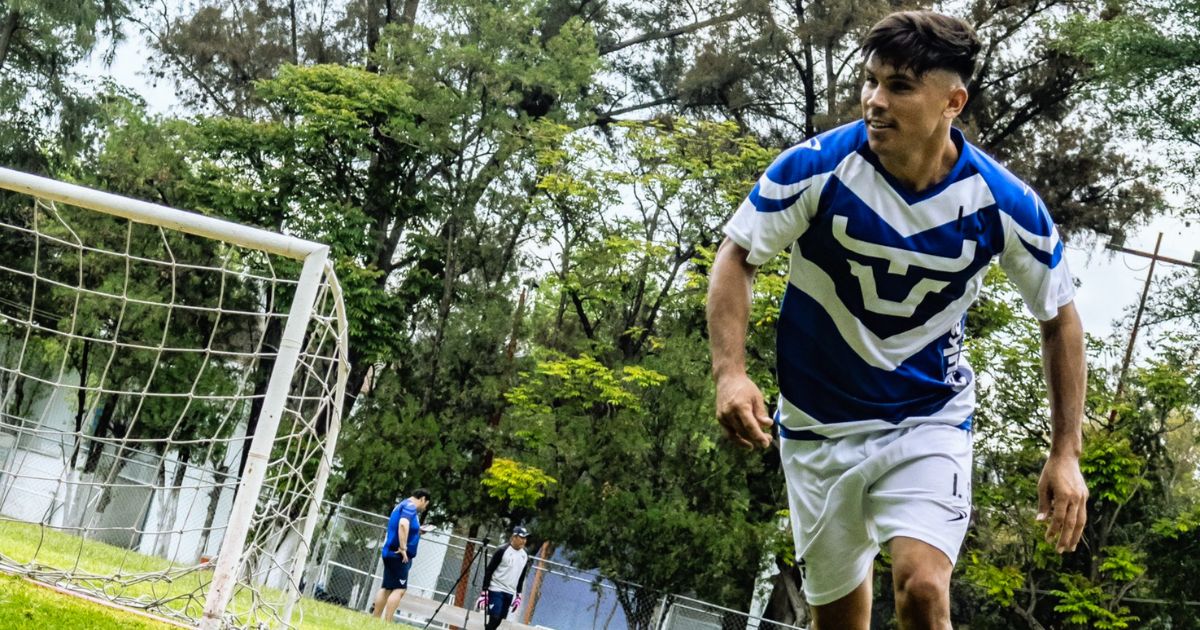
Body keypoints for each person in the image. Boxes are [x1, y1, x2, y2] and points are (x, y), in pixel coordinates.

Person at [706, 10, 1088, 629]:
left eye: (900, 87)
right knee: (839, 622)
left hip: (925, 420)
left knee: (923, 590)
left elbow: (1061, 319)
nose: (875, 101)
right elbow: (738, 255)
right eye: (871, 81)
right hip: (816, 428)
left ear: (953, 101)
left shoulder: (1004, 203)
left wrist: (1065, 453)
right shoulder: (814, 168)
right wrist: (731, 372)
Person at [372, 488, 431, 623]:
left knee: (387, 587)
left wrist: (418, 532)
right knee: (399, 589)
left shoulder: (403, 505)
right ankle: (388, 622)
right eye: (426, 503)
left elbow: (405, 526)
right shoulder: (410, 507)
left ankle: (375, 620)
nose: (424, 507)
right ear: (422, 499)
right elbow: (403, 525)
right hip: (398, 555)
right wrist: (403, 547)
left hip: (389, 552)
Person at [475, 526, 531, 630]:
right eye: (521, 537)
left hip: (510, 591)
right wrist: (484, 592)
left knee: (499, 621)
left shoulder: (525, 554)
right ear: (514, 537)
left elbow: (522, 575)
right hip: (496, 588)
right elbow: (489, 570)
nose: (524, 540)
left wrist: (518, 595)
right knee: (494, 618)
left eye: (525, 538)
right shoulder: (502, 550)